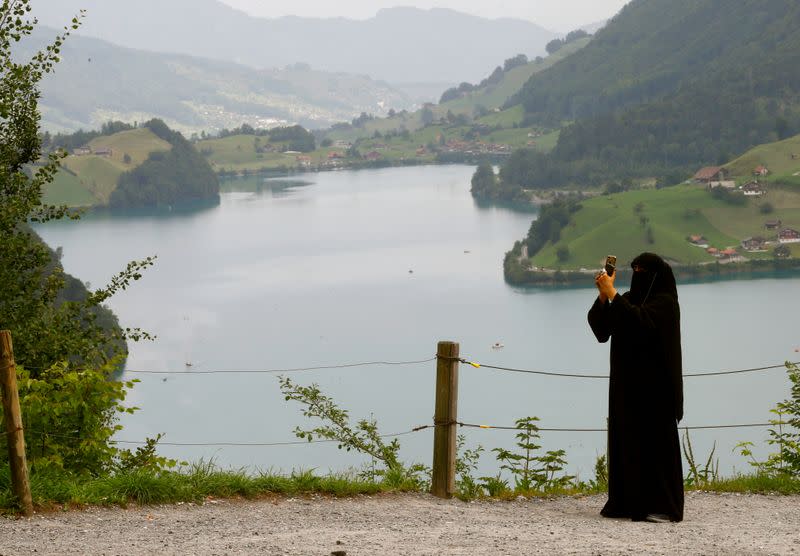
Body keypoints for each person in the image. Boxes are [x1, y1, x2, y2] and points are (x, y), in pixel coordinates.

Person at [587, 252, 684, 523]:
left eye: (643, 270)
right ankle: (626, 502)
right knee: (626, 443)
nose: (637, 274)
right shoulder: (628, 299)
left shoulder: (666, 304)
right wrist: (604, 296)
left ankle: (663, 506)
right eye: (635, 269)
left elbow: (641, 323)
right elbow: (601, 330)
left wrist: (614, 296)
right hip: (626, 388)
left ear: (656, 275)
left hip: (656, 390)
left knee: (655, 447)